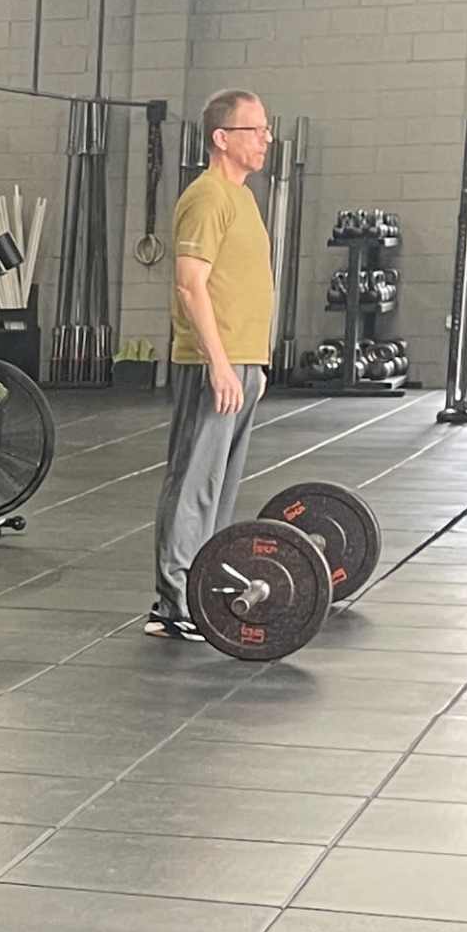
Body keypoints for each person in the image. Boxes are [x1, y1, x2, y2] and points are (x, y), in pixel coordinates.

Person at [153, 89, 277, 639]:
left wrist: (254, 365)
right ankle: (174, 604)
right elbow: (189, 285)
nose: (266, 140)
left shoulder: (244, 198)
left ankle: (201, 587)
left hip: (244, 364)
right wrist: (220, 365)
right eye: (255, 130)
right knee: (193, 484)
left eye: (267, 130)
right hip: (215, 365)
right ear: (222, 138)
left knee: (221, 490)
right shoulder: (206, 197)